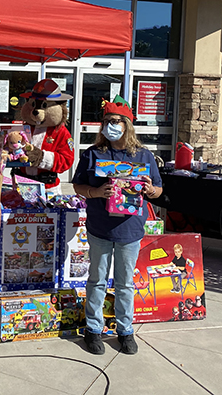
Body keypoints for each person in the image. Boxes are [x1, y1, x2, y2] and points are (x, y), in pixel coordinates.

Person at [72, 96, 162, 356]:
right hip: (100, 227)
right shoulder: (93, 154)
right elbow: (78, 186)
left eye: (116, 121)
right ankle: (93, 328)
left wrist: (149, 189)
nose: (110, 126)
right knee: (97, 280)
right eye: (107, 121)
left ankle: (125, 330)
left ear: (127, 125)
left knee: (125, 284)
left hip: (130, 230)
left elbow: (157, 190)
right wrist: (96, 192)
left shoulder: (144, 156)